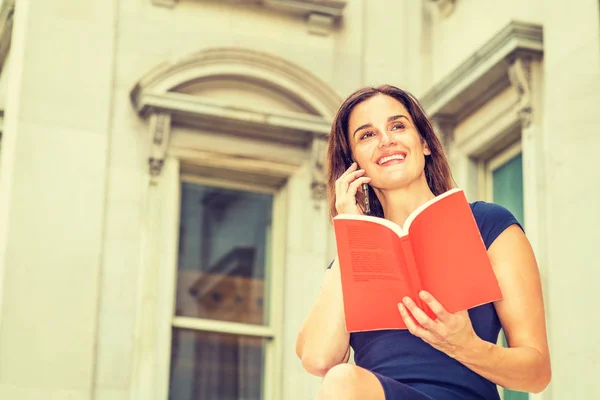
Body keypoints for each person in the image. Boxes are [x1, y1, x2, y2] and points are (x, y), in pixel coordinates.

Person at [295, 85, 551, 400]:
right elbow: (319, 359)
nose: (386, 140)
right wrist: (351, 231)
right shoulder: (345, 263)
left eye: (397, 126)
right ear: (353, 163)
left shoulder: (488, 225)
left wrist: (465, 345)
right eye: (367, 135)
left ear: (425, 143)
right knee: (341, 382)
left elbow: (537, 373)